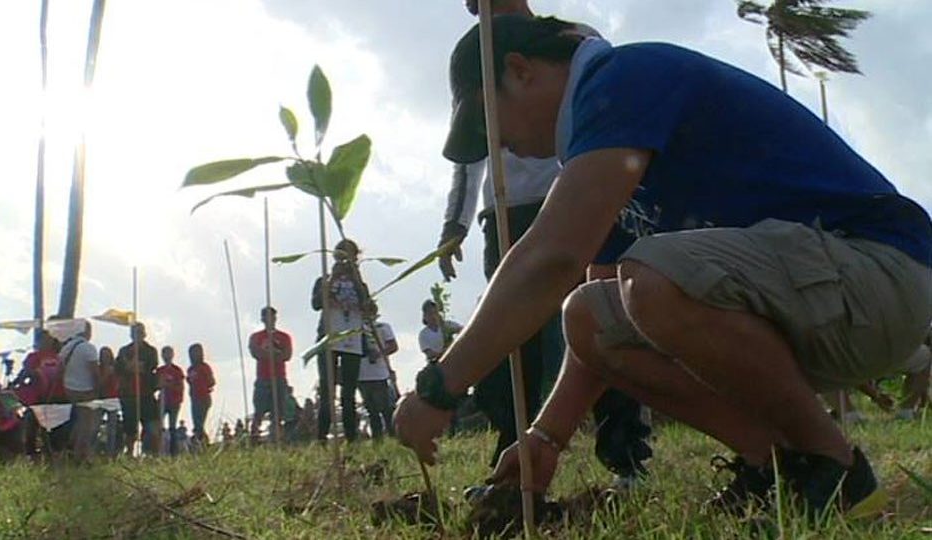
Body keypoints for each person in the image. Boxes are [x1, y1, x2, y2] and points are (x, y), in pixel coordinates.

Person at [396, 15, 932, 520]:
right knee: (589, 311)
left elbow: (552, 257)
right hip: (811, 293)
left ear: (520, 70)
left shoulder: (622, 78)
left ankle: (834, 467)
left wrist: (439, 387)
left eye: (490, 122)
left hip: (878, 272)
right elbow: (594, 324)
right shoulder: (607, 151)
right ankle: (774, 466)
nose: (500, 146)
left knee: (652, 276)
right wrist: (545, 436)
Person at [441, 0, 654, 483]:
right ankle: (512, 458)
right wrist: (454, 225)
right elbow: (470, 152)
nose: (478, 9)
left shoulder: (571, 41)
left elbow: (610, 121)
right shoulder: (475, 55)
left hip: (578, 195)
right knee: (510, 336)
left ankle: (626, 458)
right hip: (506, 211)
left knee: (605, 313)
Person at [312, 239, 374, 442]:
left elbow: (370, 309)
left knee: (349, 393)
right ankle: (321, 437)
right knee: (327, 390)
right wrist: (333, 278)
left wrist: (356, 279)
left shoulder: (360, 285)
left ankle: (351, 438)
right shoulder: (324, 280)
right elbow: (316, 303)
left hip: (353, 341)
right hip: (329, 339)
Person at [248, 306, 292, 440]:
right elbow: (256, 353)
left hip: (279, 377)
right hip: (263, 377)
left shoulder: (284, 337)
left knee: (278, 412)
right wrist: (273, 354)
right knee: (259, 411)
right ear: (262, 319)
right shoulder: (256, 337)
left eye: (272, 316)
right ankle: (254, 437)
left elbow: (287, 355)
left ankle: (276, 438)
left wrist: (268, 354)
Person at [116, 323, 159, 455]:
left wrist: (136, 367)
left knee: (151, 425)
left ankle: (152, 453)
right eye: (135, 332)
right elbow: (118, 368)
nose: (138, 335)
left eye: (140, 332)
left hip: (146, 392)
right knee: (130, 427)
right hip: (129, 394)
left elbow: (151, 366)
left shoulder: (150, 350)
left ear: (144, 333)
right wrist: (130, 367)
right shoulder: (124, 351)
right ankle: (129, 452)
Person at [60, 320, 100, 463]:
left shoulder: (66, 348)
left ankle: (73, 449)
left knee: (77, 422)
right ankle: (81, 455)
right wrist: (98, 390)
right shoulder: (88, 348)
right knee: (87, 424)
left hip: (68, 388)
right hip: (85, 389)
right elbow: (94, 371)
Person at [358, 318, 398, 441]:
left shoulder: (382, 326)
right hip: (362, 374)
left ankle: (393, 436)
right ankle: (378, 438)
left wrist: (379, 353)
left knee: (386, 408)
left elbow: (393, 346)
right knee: (371, 410)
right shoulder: (355, 330)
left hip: (379, 373)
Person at [155, 346, 185, 456]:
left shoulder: (177, 370)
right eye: (164, 353)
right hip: (163, 401)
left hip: (174, 401)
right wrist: (160, 384)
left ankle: (174, 452)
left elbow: (180, 386)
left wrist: (170, 385)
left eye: (169, 353)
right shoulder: (160, 370)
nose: (167, 356)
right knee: (159, 427)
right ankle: (158, 451)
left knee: (172, 427)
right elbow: (156, 385)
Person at [186, 342, 215, 444]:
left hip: (203, 397)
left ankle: (203, 442)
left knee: (199, 423)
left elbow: (212, 381)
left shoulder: (204, 367)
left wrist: (205, 386)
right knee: (197, 422)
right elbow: (189, 381)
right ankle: (200, 442)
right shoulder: (190, 369)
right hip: (194, 398)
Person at [98, 346, 121, 457]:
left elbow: (119, 383)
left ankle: (110, 453)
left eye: (107, 355)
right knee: (96, 426)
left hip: (113, 399)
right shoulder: (98, 368)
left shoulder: (116, 368)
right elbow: (99, 384)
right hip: (101, 398)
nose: (105, 357)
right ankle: (94, 451)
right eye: (103, 355)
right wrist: (106, 374)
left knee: (112, 429)